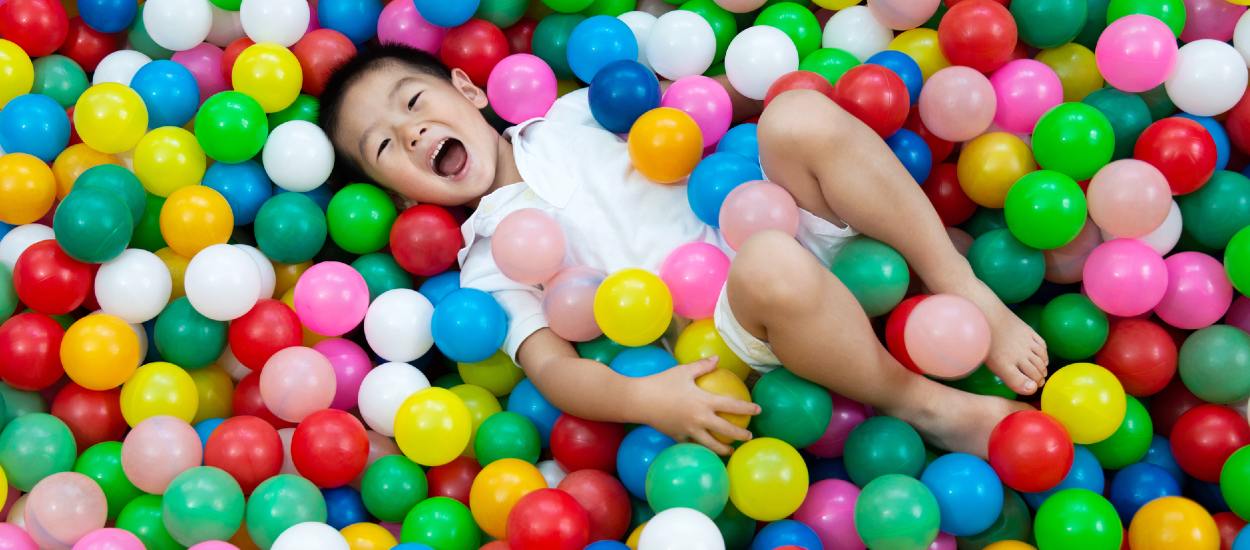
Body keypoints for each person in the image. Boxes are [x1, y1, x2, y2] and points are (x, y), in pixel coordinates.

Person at [319, 44, 1048, 456]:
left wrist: (762, 85)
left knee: (797, 116)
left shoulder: (575, 112)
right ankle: (919, 402)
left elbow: (702, 111)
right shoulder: (483, 265)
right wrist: (646, 399)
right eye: (384, 145)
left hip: (778, 215)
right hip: (737, 317)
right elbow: (556, 371)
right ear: (405, 196)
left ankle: (961, 287)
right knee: (769, 263)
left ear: (470, 90)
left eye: (414, 104)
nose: (411, 133)